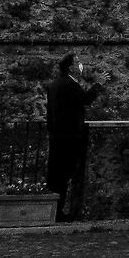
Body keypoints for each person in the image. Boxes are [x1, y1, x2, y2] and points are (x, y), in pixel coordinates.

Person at [44, 54, 101, 223]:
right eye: (77, 63)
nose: (80, 65)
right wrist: (98, 85)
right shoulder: (70, 84)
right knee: (63, 174)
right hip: (68, 136)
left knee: (55, 174)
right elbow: (85, 99)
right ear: (70, 67)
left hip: (56, 135)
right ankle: (58, 212)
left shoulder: (55, 84)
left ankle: (52, 210)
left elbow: (50, 112)